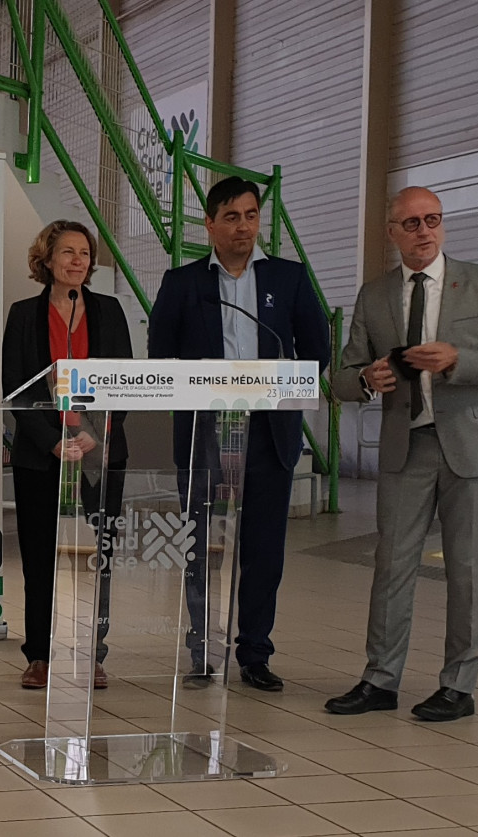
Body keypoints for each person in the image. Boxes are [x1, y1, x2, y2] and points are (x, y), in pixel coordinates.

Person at [325, 187, 478, 722]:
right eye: (410, 223)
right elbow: (340, 378)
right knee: (391, 567)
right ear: (391, 232)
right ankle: (379, 679)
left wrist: (457, 359)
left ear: (443, 225)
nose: (423, 230)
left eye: (432, 219)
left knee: (468, 569)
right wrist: (365, 379)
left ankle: (459, 684)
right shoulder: (375, 294)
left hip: (472, 447)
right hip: (404, 445)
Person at [147, 176, 329, 691]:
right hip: (206, 432)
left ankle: (255, 653)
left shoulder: (288, 279)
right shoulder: (182, 283)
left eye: (251, 215)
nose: (243, 226)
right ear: (209, 225)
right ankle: (203, 649)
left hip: (269, 432)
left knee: (263, 548)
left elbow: (318, 350)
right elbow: (161, 361)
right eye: (231, 217)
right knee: (202, 545)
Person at [2, 221, 132, 690]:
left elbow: (124, 381)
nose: (78, 261)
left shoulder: (110, 311)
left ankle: (91, 652)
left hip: (99, 452)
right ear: (47, 259)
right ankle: (38, 654)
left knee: (96, 556)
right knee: (40, 558)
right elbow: (14, 390)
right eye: (67, 252)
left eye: (84, 253)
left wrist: (94, 434)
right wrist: (52, 441)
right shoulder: (23, 315)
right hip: (43, 455)